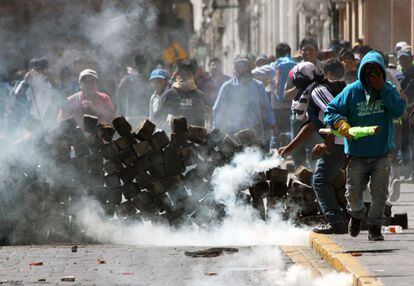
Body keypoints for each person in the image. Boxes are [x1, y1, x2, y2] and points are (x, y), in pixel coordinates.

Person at [324, 51, 406, 241]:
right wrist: (341, 123)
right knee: (352, 193)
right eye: (367, 72)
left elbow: (399, 110)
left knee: (379, 193)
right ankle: (356, 215)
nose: (371, 76)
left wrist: (383, 89)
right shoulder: (352, 91)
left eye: (375, 72)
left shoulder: (389, 89)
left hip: (381, 154)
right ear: (361, 72)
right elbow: (331, 110)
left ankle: (375, 228)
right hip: (357, 154)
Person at [278, 61, 347, 234]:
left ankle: (336, 221)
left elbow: (335, 115)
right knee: (349, 180)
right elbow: (310, 126)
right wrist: (289, 148)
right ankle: (354, 216)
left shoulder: (318, 91)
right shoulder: (318, 91)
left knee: (320, 181)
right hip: (343, 141)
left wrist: (327, 143)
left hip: (340, 143)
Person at [213, 55, 275, 143]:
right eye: (239, 66)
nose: (242, 70)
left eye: (244, 66)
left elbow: (266, 107)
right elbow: (218, 109)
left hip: (254, 132)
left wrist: (271, 122)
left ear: (249, 68)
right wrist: (216, 129)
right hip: (233, 133)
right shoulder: (227, 86)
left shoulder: (258, 85)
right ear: (235, 69)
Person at [284, 38, 322, 167]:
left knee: (316, 151)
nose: (307, 53)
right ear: (301, 51)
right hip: (298, 117)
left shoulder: (323, 69)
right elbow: (286, 95)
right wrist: (299, 86)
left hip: (318, 117)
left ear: (317, 50)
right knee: (297, 151)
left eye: (311, 50)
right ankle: (300, 180)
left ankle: (314, 182)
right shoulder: (294, 71)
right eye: (304, 50)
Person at [10, 57, 63, 130]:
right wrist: (26, 84)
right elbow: (17, 102)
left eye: (42, 69)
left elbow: (63, 102)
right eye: (36, 70)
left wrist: (53, 83)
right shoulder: (25, 84)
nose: (39, 72)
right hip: (28, 125)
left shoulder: (51, 84)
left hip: (49, 124)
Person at [155, 60, 206, 128]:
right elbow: (158, 119)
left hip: (194, 137)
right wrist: (168, 125)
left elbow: (204, 120)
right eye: (181, 74)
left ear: (193, 75)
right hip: (172, 137)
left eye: (188, 74)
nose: (185, 77)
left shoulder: (199, 96)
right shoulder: (169, 95)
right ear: (176, 76)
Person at [116, 54, 151, 124]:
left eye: (143, 63)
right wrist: (120, 111)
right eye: (139, 63)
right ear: (136, 65)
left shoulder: (148, 79)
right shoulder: (128, 79)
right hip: (132, 117)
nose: (142, 66)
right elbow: (120, 92)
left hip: (146, 116)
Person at [396, 49, 414, 181]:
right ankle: (406, 170)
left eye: (405, 58)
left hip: (412, 111)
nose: (403, 61)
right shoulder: (398, 75)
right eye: (401, 59)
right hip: (402, 112)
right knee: (403, 141)